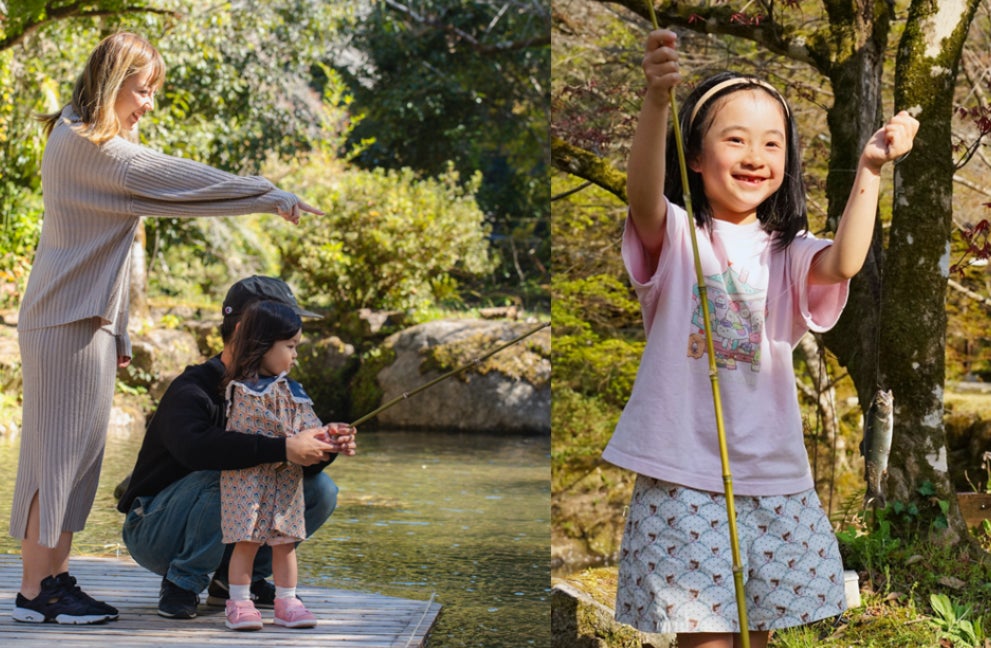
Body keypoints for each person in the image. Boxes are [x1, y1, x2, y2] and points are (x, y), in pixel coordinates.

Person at [603, 30, 918, 648]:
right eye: (735, 139)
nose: (755, 156)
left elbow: (846, 261)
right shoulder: (675, 235)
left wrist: (872, 168)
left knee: (759, 635)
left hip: (772, 474)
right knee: (709, 639)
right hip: (684, 472)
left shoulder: (790, 254)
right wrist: (655, 101)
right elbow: (642, 194)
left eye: (772, 143)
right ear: (694, 154)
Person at [9, 31, 323, 625]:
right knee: (53, 459)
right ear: (111, 80)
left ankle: (53, 578)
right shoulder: (89, 147)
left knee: (77, 461)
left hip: (86, 319)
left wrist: (120, 332)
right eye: (143, 89)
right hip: (65, 318)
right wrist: (267, 195)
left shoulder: (86, 137)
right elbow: (184, 181)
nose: (148, 103)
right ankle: (35, 591)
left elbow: (106, 247)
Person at [117, 275, 355, 621]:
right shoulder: (194, 387)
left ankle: (235, 582)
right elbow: (197, 450)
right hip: (154, 530)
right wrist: (284, 448)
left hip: (224, 518)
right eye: (287, 337)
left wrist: (324, 445)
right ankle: (182, 581)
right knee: (229, 473)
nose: (294, 350)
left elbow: (293, 461)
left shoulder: (284, 390)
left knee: (320, 490)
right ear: (248, 331)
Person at [218, 300, 351, 631]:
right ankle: (239, 602)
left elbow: (310, 422)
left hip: (285, 482)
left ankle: (287, 601)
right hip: (248, 481)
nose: (295, 355)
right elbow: (258, 428)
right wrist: (296, 440)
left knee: (286, 542)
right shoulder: (242, 390)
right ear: (263, 345)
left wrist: (329, 434)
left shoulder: (295, 390)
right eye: (290, 346)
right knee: (246, 542)